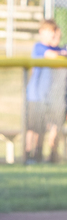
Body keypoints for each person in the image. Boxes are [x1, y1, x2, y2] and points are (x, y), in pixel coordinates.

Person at [25, 20, 66, 162]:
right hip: (35, 95)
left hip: (49, 96)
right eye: (49, 32)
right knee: (34, 128)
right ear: (41, 32)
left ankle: (45, 155)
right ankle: (29, 155)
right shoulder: (39, 47)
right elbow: (52, 55)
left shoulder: (58, 48)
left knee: (46, 127)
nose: (52, 35)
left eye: (54, 32)